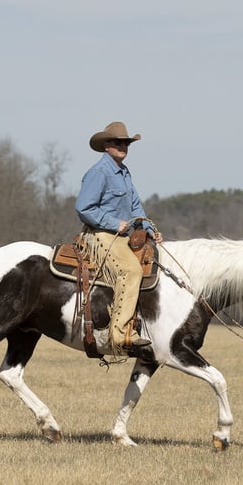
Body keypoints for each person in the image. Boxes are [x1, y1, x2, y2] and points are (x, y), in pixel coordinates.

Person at [75, 121, 163, 354]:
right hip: (100, 235)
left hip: (123, 236)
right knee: (130, 271)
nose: (123, 146)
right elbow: (84, 208)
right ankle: (120, 333)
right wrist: (115, 223)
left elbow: (136, 207)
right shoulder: (99, 172)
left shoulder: (124, 173)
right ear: (106, 145)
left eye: (126, 143)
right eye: (117, 142)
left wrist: (150, 230)